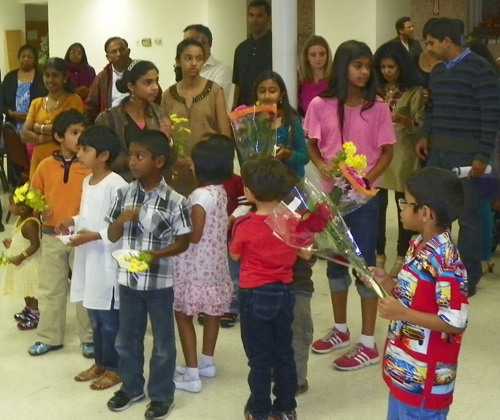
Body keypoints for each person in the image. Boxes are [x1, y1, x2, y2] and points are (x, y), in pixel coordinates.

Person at [304, 40, 396, 370]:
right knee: (335, 263)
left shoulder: (378, 107)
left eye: (367, 66)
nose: (363, 72)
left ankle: (369, 343)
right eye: (357, 65)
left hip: (366, 200)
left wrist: (368, 178)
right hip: (332, 198)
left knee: (365, 267)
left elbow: (387, 151)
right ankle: (341, 330)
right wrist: (321, 165)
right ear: (342, 67)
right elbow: (312, 144)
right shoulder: (319, 104)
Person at [365, 167, 468, 420]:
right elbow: (409, 295)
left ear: (425, 213)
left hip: (425, 386)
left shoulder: (446, 262)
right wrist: (386, 282)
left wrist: (403, 313)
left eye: (406, 202)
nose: (400, 207)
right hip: (405, 374)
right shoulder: (416, 246)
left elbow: (455, 322)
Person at [105, 130, 191, 419]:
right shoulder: (123, 193)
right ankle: (131, 387)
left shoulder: (175, 200)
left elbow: (184, 240)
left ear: (159, 162)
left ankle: (162, 394)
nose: (132, 161)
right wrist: (120, 220)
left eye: (139, 156)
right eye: (131, 155)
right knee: (126, 338)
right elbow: (111, 233)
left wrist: (157, 255)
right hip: (127, 279)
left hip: (159, 284)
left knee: (164, 343)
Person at [416, 18, 500, 297]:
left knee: (468, 218)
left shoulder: (480, 70)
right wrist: (425, 135)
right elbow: (433, 109)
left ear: (446, 42)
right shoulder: (438, 72)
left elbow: (491, 117)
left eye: (430, 43)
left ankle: (466, 277)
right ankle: (436, 269)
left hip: (467, 156)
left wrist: (481, 156)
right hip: (437, 153)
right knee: (435, 214)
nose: (428, 49)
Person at [229, 156, 299, 420]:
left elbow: (235, 256)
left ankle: (259, 410)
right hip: (284, 291)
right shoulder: (291, 220)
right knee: (284, 352)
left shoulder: (244, 225)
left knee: (259, 359)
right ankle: (286, 407)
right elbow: (305, 253)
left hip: (253, 294)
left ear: (249, 193)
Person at [59, 126, 127, 390]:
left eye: (86, 149)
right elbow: (88, 217)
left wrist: (92, 236)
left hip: (107, 262)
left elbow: (118, 228)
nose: (80, 153)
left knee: (109, 319)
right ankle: (101, 361)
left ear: (104, 155)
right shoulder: (88, 181)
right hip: (89, 259)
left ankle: (115, 368)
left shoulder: (117, 185)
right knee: (94, 317)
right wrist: (72, 221)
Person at [27, 109, 94, 357]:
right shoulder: (45, 166)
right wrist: (38, 209)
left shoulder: (89, 167)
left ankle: (89, 338)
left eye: (83, 134)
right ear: (58, 136)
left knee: (83, 287)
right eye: (74, 133)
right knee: (50, 288)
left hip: (81, 237)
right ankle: (49, 337)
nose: (80, 139)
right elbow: (34, 195)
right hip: (51, 235)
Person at [173, 136, 234, 393]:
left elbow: (195, 235)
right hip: (215, 265)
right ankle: (207, 362)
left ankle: (192, 373)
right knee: (212, 313)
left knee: (184, 314)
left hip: (194, 266)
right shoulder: (220, 191)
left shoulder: (199, 195)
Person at [374, 41, 425, 277]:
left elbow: (421, 125)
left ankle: (403, 255)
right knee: (376, 207)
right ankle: (378, 254)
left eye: (391, 67)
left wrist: (403, 120)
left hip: (404, 154)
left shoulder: (414, 91)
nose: (386, 72)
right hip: (379, 154)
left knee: (404, 207)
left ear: (402, 66)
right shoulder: (377, 90)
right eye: (383, 67)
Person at [162, 39, 231, 196]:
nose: (194, 63)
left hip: (209, 171)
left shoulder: (214, 91)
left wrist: (206, 161)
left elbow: (224, 136)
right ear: (178, 61)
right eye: (188, 58)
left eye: (199, 59)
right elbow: (164, 135)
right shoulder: (168, 95)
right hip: (178, 170)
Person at [96, 60, 171, 182]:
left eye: (156, 81)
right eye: (148, 82)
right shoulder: (109, 118)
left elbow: (168, 160)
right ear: (131, 86)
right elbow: (101, 157)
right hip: (120, 185)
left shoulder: (160, 114)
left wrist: (168, 140)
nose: (155, 87)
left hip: (153, 186)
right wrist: (131, 161)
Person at [21, 57, 84, 179]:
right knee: (37, 196)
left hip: (64, 160)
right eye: (47, 75)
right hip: (38, 159)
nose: (50, 80)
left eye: (55, 75)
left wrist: (39, 128)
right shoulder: (36, 103)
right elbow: (24, 135)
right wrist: (51, 135)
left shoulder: (73, 100)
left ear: (64, 78)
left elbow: (71, 131)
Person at [86, 37, 162, 123]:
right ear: (108, 57)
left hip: (142, 119)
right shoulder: (102, 77)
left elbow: (157, 97)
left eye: (122, 50)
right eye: (114, 52)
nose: (119, 54)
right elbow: (91, 106)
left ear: (128, 51)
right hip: (112, 123)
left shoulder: (141, 71)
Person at [1, 185, 43, 331]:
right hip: (22, 263)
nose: (9, 206)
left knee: (32, 289)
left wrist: (21, 256)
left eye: (11, 203)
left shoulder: (30, 223)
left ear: (23, 209)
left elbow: (35, 244)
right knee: (25, 287)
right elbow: (22, 239)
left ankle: (35, 314)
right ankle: (28, 309)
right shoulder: (21, 219)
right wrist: (12, 243)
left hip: (29, 263)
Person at [254, 70, 310, 178]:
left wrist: (288, 155)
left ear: (281, 95)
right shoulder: (251, 121)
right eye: (262, 91)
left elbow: (304, 157)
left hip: (289, 182)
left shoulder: (291, 121)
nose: (267, 96)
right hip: (260, 182)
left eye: (272, 91)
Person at [232, 0, 272, 108]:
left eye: (259, 16)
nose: (254, 20)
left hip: (269, 109)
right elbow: (238, 84)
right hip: (244, 111)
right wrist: (234, 108)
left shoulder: (276, 47)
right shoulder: (241, 49)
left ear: (269, 19)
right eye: (251, 15)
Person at [183, 24, 233, 108]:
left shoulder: (222, 69)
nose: (185, 46)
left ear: (204, 42)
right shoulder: (184, 68)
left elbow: (211, 99)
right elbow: (171, 96)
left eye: (189, 41)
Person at [2, 44, 46, 138]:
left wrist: (31, 116)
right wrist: (9, 112)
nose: (26, 59)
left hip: (35, 126)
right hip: (13, 125)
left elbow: (47, 100)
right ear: (19, 58)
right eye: (23, 56)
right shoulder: (9, 77)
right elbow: (1, 100)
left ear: (35, 60)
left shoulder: (42, 77)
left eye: (30, 57)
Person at [298, 35, 333, 116]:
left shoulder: (334, 80)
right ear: (307, 56)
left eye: (322, 54)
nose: (318, 59)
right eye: (313, 55)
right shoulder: (301, 83)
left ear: (327, 55)